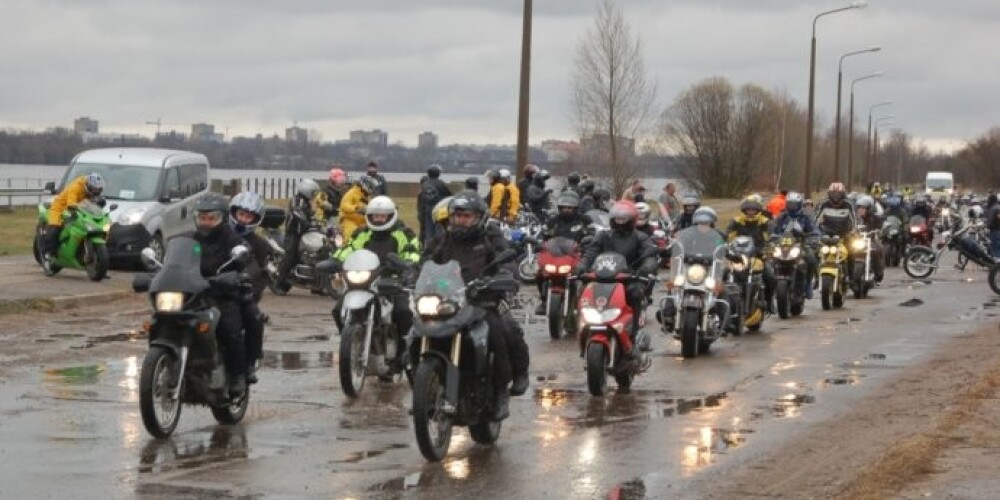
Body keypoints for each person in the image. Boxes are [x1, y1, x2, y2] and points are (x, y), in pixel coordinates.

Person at [422, 192, 530, 421]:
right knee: (416, 328)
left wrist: (502, 275)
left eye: (466, 216)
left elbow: (506, 257)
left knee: (501, 331)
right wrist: (411, 273)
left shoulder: (490, 235)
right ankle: (422, 386)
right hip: (449, 299)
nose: (461, 220)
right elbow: (426, 259)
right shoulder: (445, 239)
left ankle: (503, 388)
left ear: (478, 217)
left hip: (483, 298)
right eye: (457, 215)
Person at [333, 196, 421, 368]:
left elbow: (413, 250)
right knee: (337, 309)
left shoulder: (403, 233)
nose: (379, 219)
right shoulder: (362, 233)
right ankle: (350, 341)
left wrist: (408, 261)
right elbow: (349, 249)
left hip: (392, 280)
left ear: (391, 216)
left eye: (383, 216)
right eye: (375, 216)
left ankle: (404, 353)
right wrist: (335, 260)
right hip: (364, 280)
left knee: (403, 312)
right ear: (370, 216)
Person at [576, 201, 659, 351]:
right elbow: (590, 253)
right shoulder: (603, 236)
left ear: (632, 219)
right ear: (612, 219)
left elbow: (650, 256)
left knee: (635, 293)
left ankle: (634, 333)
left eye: (624, 219)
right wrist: (582, 266)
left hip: (628, 279)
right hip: (602, 278)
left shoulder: (640, 237)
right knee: (583, 292)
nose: (620, 222)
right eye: (617, 218)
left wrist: (645, 268)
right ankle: (583, 327)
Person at [190, 193, 251, 397]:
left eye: (211, 218)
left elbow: (243, 250)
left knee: (229, 328)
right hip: (194, 293)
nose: (206, 223)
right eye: (202, 218)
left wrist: (237, 263)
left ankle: (237, 376)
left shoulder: (230, 237)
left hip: (222, 293)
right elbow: (175, 257)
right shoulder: (192, 238)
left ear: (222, 219)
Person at [228, 192, 270, 384]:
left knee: (254, 318)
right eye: (241, 214)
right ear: (233, 213)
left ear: (255, 219)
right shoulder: (221, 235)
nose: (243, 219)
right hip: (213, 286)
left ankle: (249, 363)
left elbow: (260, 272)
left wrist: (249, 290)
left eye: (248, 216)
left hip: (242, 291)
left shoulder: (260, 245)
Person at [534, 191, 592, 314]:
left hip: (576, 255)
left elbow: (593, 234)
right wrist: (538, 244)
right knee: (539, 274)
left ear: (576, 208)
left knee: (587, 275)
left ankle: (586, 301)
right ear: (560, 208)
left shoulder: (584, 220)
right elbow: (543, 236)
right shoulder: (553, 221)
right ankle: (544, 300)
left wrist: (588, 242)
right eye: (564, 207)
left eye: (570, 208)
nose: (567, 210)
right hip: (555, 255)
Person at [42, 173, 105, 272]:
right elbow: (71, 204)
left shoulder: (90, 190)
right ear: (88, 186)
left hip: (77, 210)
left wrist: (100, 203)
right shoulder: (75, 187)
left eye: (98, 190)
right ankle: (48, 254)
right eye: (94, 189)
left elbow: (92, 203)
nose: (96, 192)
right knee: (54, 228)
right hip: (60, 208)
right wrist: (76, 207)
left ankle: (98, 266)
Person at [726, 195, 775, 308]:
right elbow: (728, 235)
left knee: (770, 275)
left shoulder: (765, 222)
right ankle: (722, 303)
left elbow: (772, 237)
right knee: (724, 274)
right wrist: (725, 246)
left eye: (753, 209)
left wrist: (768, 248)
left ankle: (769, 300)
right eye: (748, 209)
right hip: (739, 256)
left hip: (758, 255)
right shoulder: (736, 221)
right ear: (744, 210)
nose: (751, 212)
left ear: (758, 210)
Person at [274, 179, 323, 291]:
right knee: (290, 257)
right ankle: (278, 284)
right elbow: (297, 212)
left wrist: (317, 221)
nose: (314, 195)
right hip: (293, 233)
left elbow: (309, 215)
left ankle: (316, 285)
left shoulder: (306, 202)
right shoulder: (297, 200)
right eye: (313, 192)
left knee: (313, 254)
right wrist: (306, 222)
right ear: (306, 190)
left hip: (303, 233)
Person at [771, 192, 819, 299]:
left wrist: (813, 238)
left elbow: (814, 230)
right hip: (782, 246)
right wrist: (772, 237)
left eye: (794, 204)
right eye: (790, 204)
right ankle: (772, 287)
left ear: (800, 204)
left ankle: (808, 285)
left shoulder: (806, 216)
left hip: (801, 244)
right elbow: (773, 229)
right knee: (770, 260)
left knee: (811, 259)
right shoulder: (782, 216)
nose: (792, 207)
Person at [417, 164, 452, 247]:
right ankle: (438, 245)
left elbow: (422, 198)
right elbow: (449, 195)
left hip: (427, 210)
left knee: (428, 230)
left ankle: (429, 246)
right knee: (439, 229)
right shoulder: (440, 184)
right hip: (438, 210)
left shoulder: (425, 184)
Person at [853, 195, 884, 283]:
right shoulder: (855, 219)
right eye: (859, 208)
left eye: (863, 208)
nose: (860, 210)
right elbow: (849, 227)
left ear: (868, 209)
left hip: (871, 240)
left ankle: (879, 274)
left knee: (878, 249)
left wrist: (878, 231)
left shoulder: (875, 218)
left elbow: (880, 227)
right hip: (857, 241)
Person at [339, 175, 379, 240]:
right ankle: (347, 248)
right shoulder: (352, 192)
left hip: (363, 222)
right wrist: (357, 208)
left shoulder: (368, 197)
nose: (372, 188)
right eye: (371, 186)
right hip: (349, 220)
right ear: (365, 185)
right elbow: (344, 205)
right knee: (350, 236)